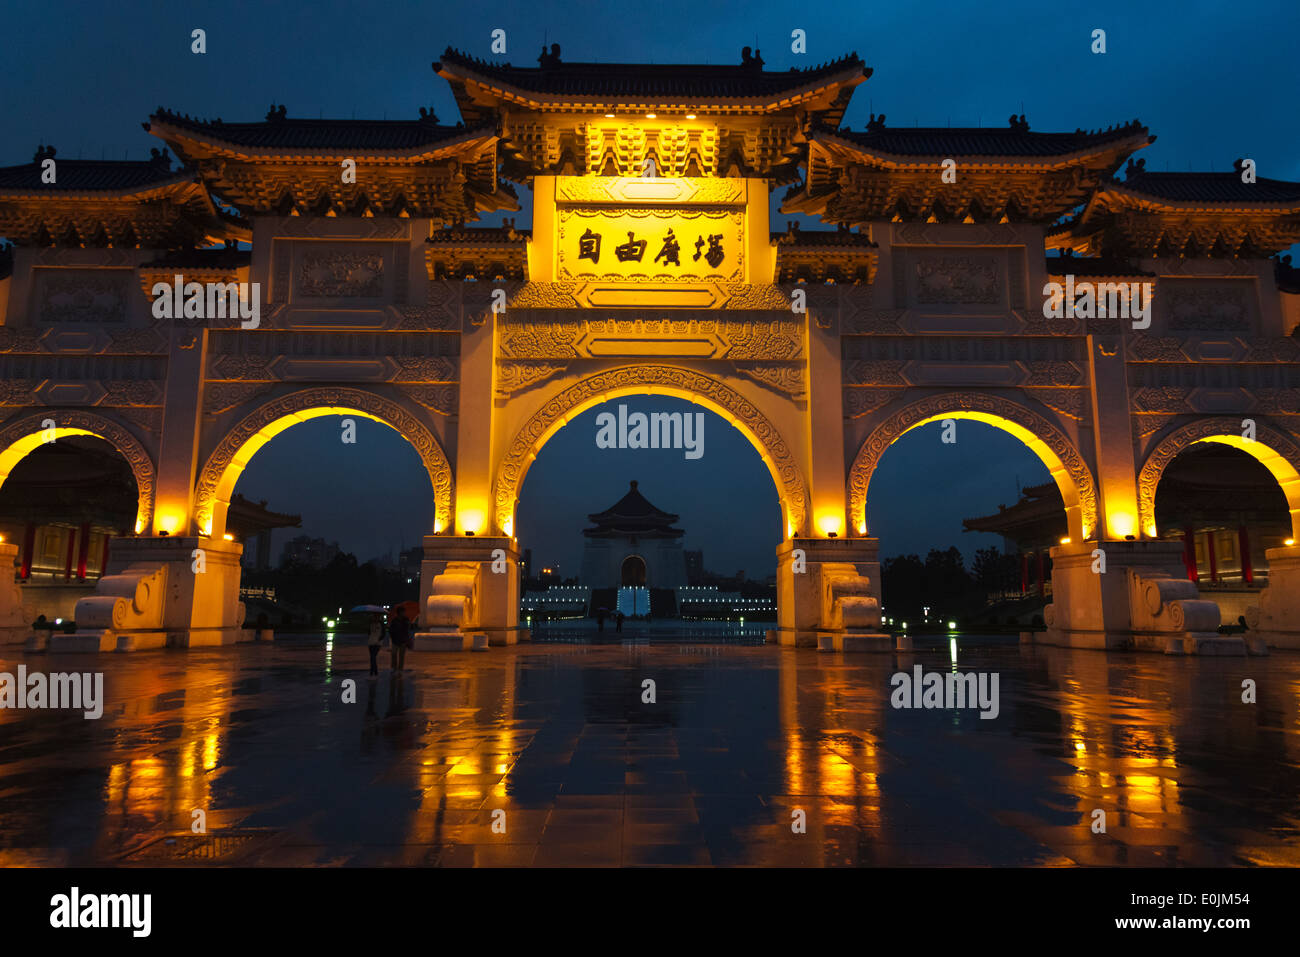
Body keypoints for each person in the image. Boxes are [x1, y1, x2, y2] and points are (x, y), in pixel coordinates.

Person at [389, 606, 410, 673]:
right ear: (399, 612)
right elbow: (391, 630)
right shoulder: (394, 620)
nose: (404, 613)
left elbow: (407, 630)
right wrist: (392, 637)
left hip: (403, 640)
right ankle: (394, 667)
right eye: (403, 612)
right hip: (395, 640)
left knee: (401, 656)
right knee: (394, 654)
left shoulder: (406, 620)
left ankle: (400, 668)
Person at [367, 612, 385, 677]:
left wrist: (379, 640)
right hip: (371, 642)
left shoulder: (381, 624)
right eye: (374, 617)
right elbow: (369, 632)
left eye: (377, 617)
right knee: (372, 657)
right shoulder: (370, 624)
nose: (375, 618)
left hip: (378, 643)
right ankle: (374, 672)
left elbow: (383, 634)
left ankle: (373, 672)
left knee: (373, 657)